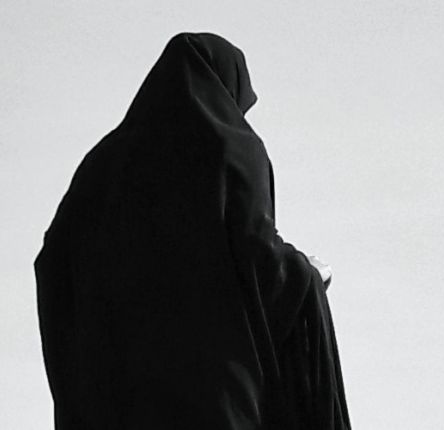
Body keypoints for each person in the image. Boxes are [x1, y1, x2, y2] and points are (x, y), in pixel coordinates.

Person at [34, 32, 350, 429]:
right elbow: (254, 257)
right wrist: (307, 276)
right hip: (214, 401)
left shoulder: (97, 171)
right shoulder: (229, 147)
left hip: (112, 407)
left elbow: (54, 263)